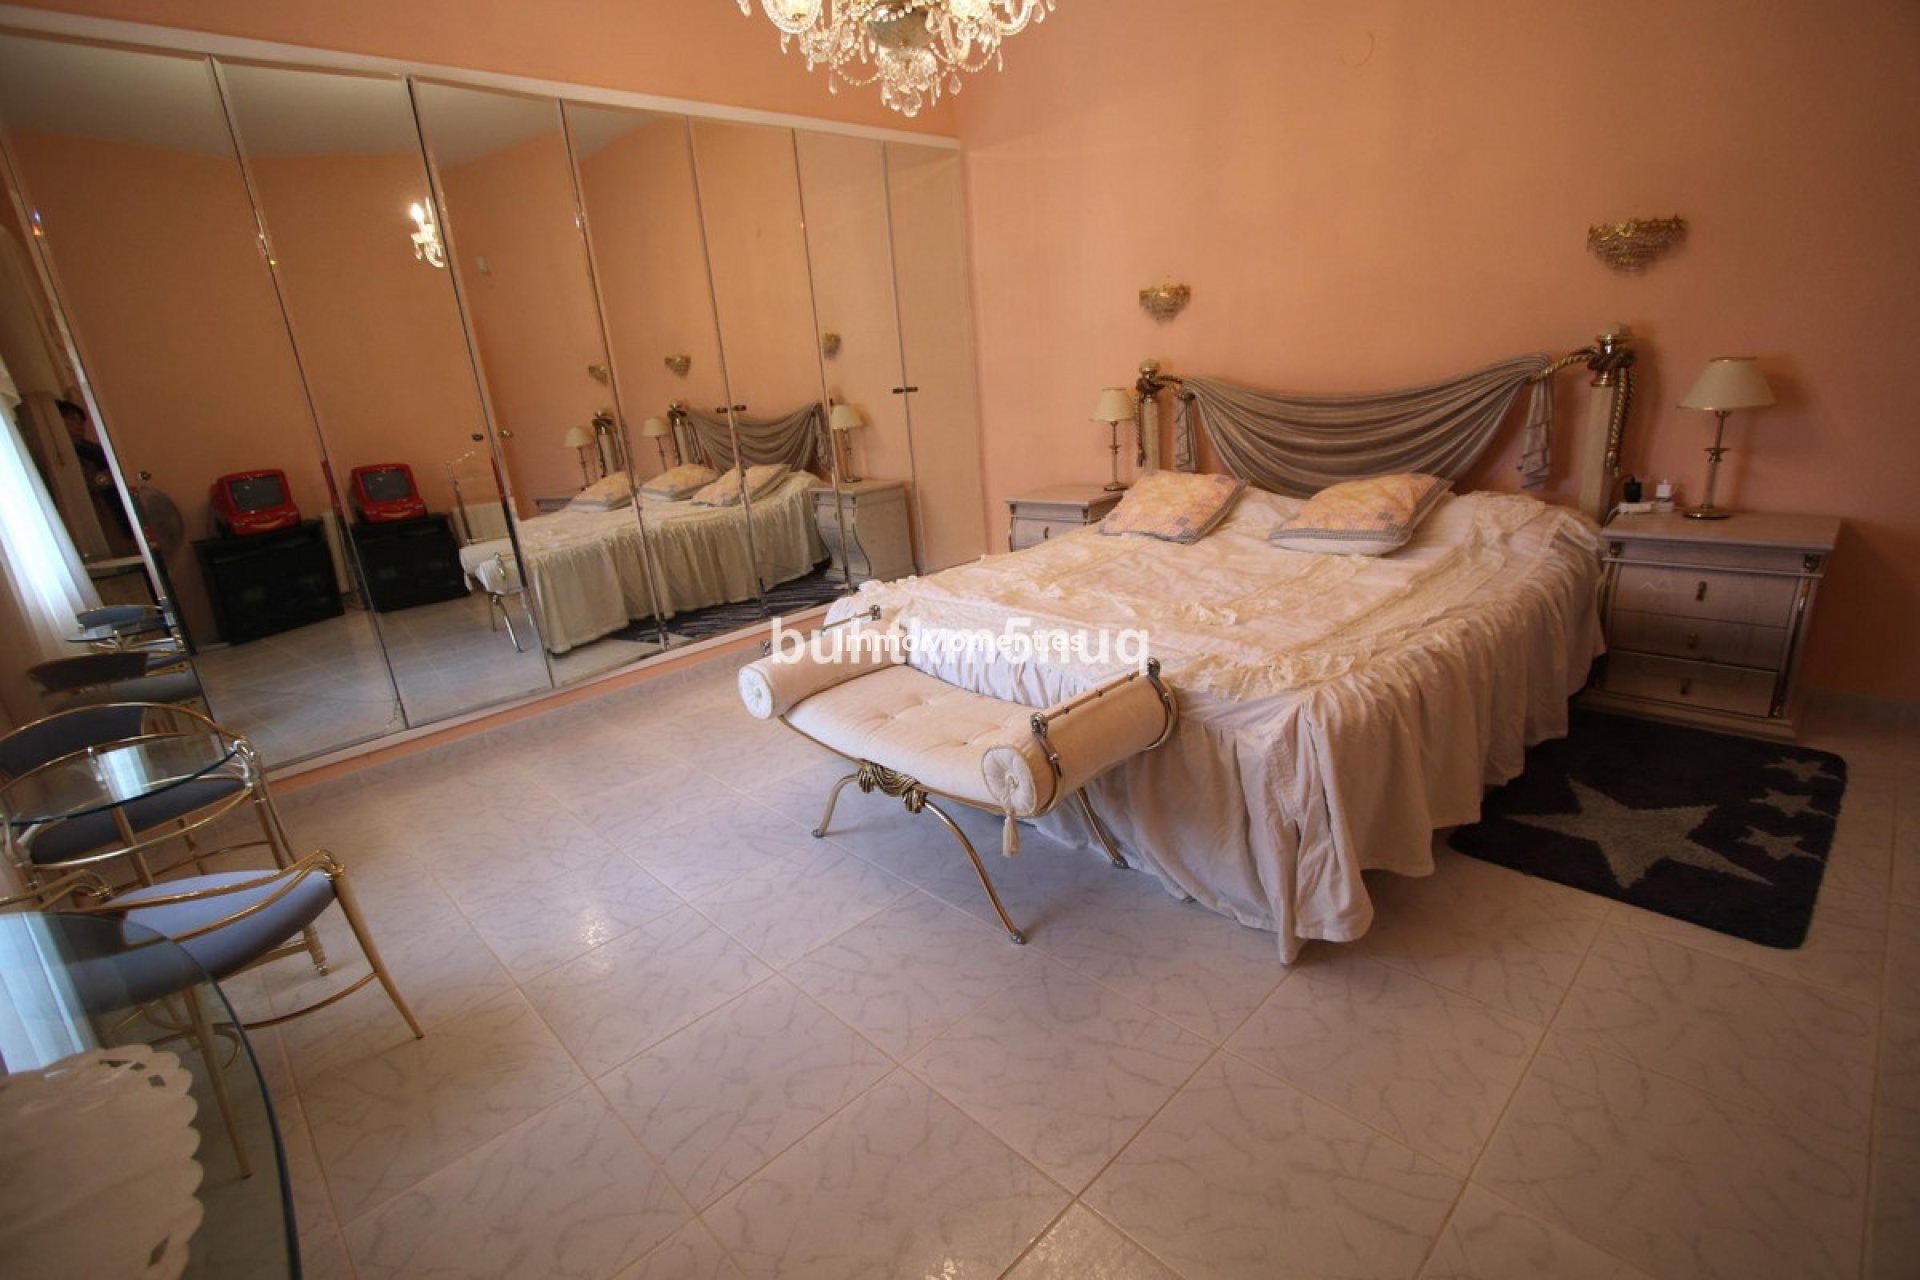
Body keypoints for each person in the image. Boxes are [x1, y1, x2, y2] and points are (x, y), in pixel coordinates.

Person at [57, 397, 133, 543]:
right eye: (72, 419)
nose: (79, 425)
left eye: (81, 421)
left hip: (118, 500)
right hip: (100, 508)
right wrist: (108, 477)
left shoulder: (93, 448)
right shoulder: (63, 453)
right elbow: (85, 483)